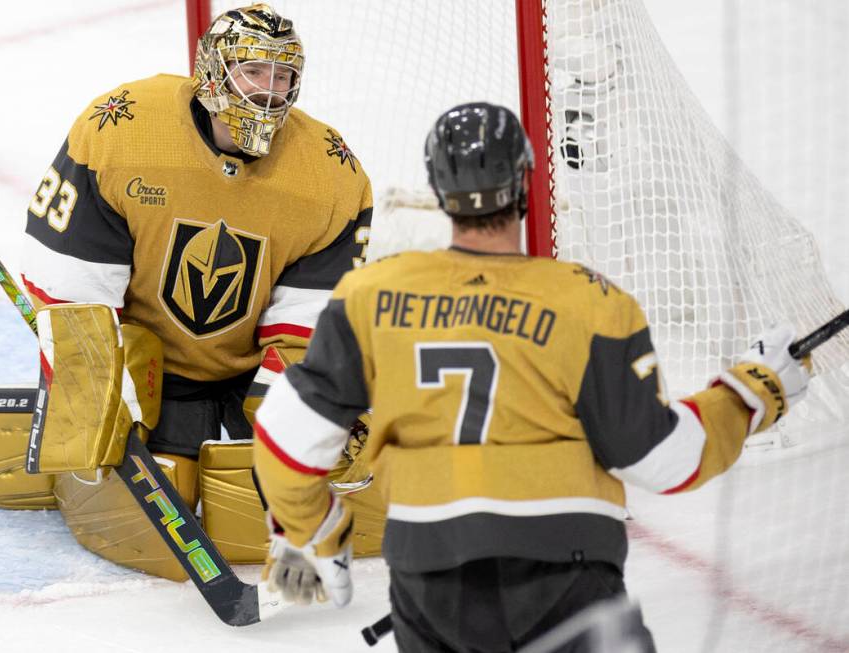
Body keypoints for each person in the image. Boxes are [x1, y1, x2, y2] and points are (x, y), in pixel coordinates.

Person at [252, 102, 812, 652]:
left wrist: (313, 533)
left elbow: (286, 431)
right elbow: (663, 458)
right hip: (566, 576)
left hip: (431, 581)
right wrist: (753, 391)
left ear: (440, 191)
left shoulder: (373, 296)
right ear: (524, 181)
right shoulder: (588, 300)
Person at [17, 3, 374, 578]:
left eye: (284, 76)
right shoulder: (125, 128)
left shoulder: (329, 171)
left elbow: (318, 314)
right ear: (213, 70)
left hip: (248, 368)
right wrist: (102, 392)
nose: (270, 91)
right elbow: (73, 284)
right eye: (255, 71)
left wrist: (291, 412)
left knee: (297, 488)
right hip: (148, 369)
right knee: (165, 497)